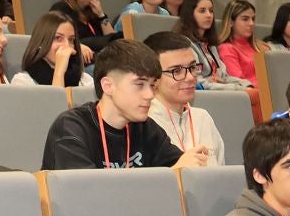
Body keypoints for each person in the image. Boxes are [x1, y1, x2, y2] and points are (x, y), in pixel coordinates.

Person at [41, 39, 209, 171]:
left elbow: (181, 168)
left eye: (152, 85)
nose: (150, 95)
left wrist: (189, 166)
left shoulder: (146, 129)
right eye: (139, 84)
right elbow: (88, 197)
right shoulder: (71, 129)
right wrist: (173, 174)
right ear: (108, 86)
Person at [145, 34, 224, 163]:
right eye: (176, 71)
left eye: (192, 68)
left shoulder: (203, 118)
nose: (190, 78)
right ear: (153, 77)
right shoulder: (144, 125)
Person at [171, 0, 241, 86]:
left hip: (219, 92)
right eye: (202, 11)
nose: (209, 15)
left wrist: (246, 85)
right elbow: (197, 83)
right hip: (202, 96)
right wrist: (236, 89)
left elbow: (224, 77)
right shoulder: (185, 44)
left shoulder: (210, 45)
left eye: (211, 11)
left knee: (253, 91)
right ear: (190, 14)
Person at [11, 11, 93, 91]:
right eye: (58, 38)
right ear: (41, 42)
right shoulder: (23, 83)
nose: (67, 45)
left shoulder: (85, 81)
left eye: (71, 39)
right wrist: (59, 72)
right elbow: (56, 103)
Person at [215, 0, 261, 86]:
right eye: (245, 19)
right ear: (231, 22)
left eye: (253, 19)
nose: (251, 23)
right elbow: (239, 82)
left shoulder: (259, 47)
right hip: (250, 95)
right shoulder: (226, 48)